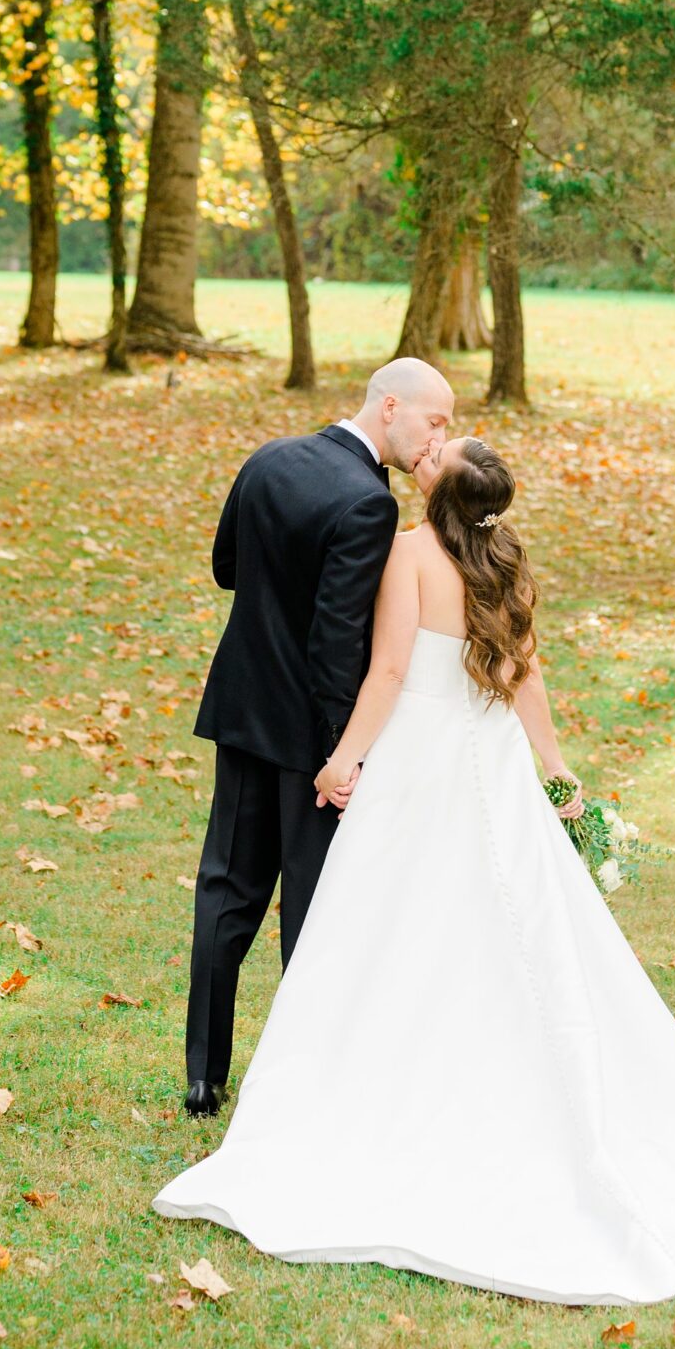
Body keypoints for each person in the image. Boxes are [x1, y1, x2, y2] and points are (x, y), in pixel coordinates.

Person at [157, 436, 675, 1306]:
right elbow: (522, 670)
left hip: (422, 758)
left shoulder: (409, 552)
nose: (423, 454)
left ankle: (385, 1083)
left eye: (435, 455)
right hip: (494, 758)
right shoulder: (506, 559)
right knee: (508, 921)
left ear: (439, 491)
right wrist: (553, 765)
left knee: (395, 924)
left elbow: (388, 669)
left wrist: (344, 760)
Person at [181, 357, 455, 1117]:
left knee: (225, 893)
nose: (439, 439)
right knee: (309, 908)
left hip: (241, 712)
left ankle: (203, 1077)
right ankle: (298, 1085)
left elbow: (225, 568)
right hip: (310, 743)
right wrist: (348, 753)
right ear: (390, 406)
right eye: (435, 421)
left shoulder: (268, 458)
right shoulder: (368, 502)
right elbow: (338, 646)